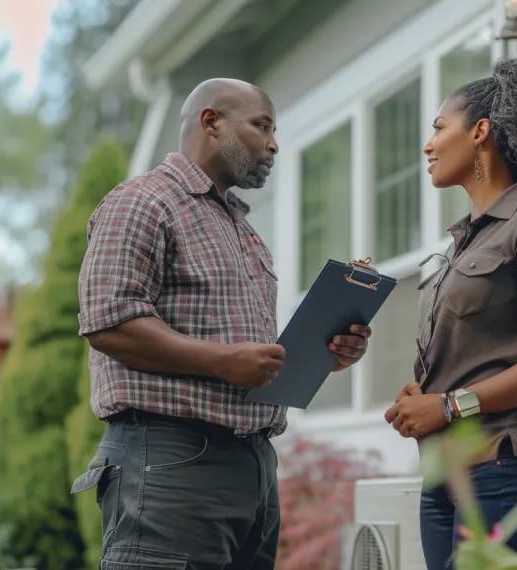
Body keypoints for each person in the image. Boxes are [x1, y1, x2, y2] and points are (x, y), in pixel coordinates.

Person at [71, 78, 372, 570]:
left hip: (252, 466)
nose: (274, 144)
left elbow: (247, 361)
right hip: (169, 461)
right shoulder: (142, 202)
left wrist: (326, 356)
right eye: (262, 126)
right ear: (212, 122)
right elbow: (109, 322)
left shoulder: (242, 230)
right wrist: (223, 361)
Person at [383, 58, 517, 569]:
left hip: (507, 468)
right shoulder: (464, 239)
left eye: (437, 128)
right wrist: (424, 397)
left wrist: (449, 407)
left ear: (480, 132)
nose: (427, 145)